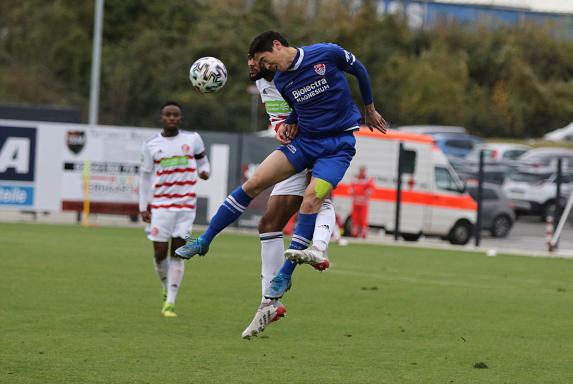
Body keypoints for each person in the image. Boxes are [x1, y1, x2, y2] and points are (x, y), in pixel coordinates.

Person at [176, 30, 386, 309]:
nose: (264, 66)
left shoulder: (326, 53)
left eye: (264, 60)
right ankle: (204, 240)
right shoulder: (282, 80)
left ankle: (285, 275)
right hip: (306, 143)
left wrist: (369, 108)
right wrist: (289, 121)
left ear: (277, 45)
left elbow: (359, 70)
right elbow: (300, 107)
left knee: (313, 199)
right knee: (254, 183)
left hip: (338, 148)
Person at [240, 55, 340, 339]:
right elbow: (278, 117)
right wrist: (281, 129)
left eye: (255, 60)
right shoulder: (262, 83)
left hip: (316, 143)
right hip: (291, 152)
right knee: (268, 223)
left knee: (320, 198)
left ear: (270, 59)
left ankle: (319, 248)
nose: (250, 65)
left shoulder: (297, 75)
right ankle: (269, 303)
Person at [139, 101, 210, 318]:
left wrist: (204, 172)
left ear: (181, 118)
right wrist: (143, 206)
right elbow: (145, 176)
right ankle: (165, 286)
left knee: (178, 252)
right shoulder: (151, 144)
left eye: (175, 115)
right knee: (160, 253)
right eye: (168, 115)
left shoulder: (193, 139)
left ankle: (170, 301)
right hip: (160, 205)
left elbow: (204, 164)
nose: (171, 118)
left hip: (186, 205)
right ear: (162, 118)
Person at [350, 166, 375, 238]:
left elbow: (371, 189)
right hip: (355, 203)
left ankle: (364, 233)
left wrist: (367, 193)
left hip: (363, 203)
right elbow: (351, 188)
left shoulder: (368, 180)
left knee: (363, 219)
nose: (361, 172)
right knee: (355, 219)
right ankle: (355, 233)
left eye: (363, 171)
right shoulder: (355, 179)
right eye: (361, 170)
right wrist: (352, 191)